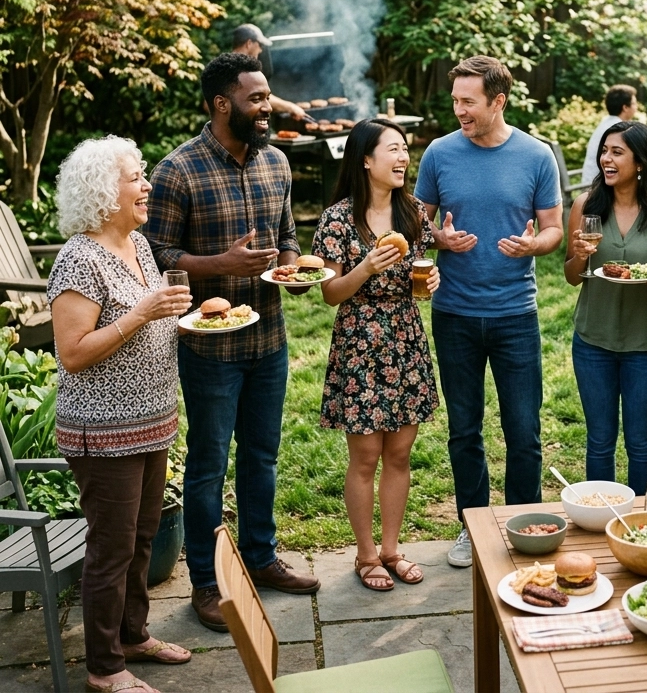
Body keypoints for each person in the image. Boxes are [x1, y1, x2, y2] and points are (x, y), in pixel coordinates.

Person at [143, 53, 320, 633]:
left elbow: (288, 234)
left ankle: (261, 558)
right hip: (209, 348)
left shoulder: (276, 161)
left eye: (267, 96)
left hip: (269, 337)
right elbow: (158, 256)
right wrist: (221, 263)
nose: (268, 107)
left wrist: (291, 267)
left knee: (262, 455)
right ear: (222, 104)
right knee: (208, 464)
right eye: (256, 99)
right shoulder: (178, 170)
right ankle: (206, 581)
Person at [49, 137, 194, 693]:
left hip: (151, 420)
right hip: (104, 430)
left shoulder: (138, 243)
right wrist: (140, 314)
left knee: (141, 538)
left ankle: (133, 636)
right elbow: (73, 352)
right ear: (103, 192)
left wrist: (195, 316)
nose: (147, 185)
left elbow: (155, 318)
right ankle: (104, 669)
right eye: (136, 177)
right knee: (112, 549)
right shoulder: (79, 259)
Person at [414, 55, 563, 568]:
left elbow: (554, 229)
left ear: (498, 101)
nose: (459, 110)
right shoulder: (439, 154)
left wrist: (534, 246)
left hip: (515, 314)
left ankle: (524, 526)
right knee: (464, 430)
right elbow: (416, 225)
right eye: (455, 100)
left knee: (524, 431)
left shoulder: (536, 155)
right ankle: (472, 526)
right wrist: (439, 239)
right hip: (454, 314)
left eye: (468, 102)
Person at [312, 119, 440, 592]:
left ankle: (391, 549)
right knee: (366, 456)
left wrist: (429, 281)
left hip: (405, 336)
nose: (403, 157)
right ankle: (366, 555)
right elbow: (330, 293)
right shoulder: (337, 219)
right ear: (366, 160)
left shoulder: (413, 213)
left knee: (400, 453)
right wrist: (366, 266)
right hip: (360, 341)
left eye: (405, 149)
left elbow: (420, 271)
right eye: (393, 149)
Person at [564, 121, 647, 493]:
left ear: (641, 162)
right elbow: (571, 276)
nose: (606, 159)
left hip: (646, 343)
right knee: (600, 441)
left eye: (617, 152)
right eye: (605, 151)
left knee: (641, 443)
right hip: (593, 340)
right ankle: (600, 515)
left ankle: (642, 519)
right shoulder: (586, 205)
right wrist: (579, 256)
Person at [232, 23, 335, 123]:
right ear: (249, 43)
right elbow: (261, 97)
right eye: (260, 45)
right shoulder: (239, 69)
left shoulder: (231, 64)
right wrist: (291, 107)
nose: (261, 50)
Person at [581, 84, 638, 185]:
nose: (636, 107)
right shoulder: (617, 130)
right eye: (634, 103)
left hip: (599, 180)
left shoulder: (607, 122)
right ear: (625, 107)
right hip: (598, 184)